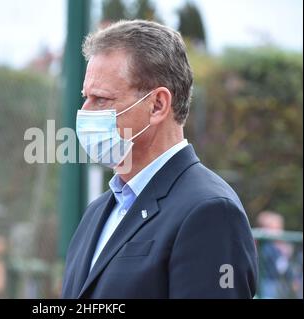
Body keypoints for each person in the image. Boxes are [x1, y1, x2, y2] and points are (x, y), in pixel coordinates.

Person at [61, 20, 258, 299]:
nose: (84, 112)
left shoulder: (210, 211)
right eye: (86, 98)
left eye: (101, 99)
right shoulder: (98, 212)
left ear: (157, 105)